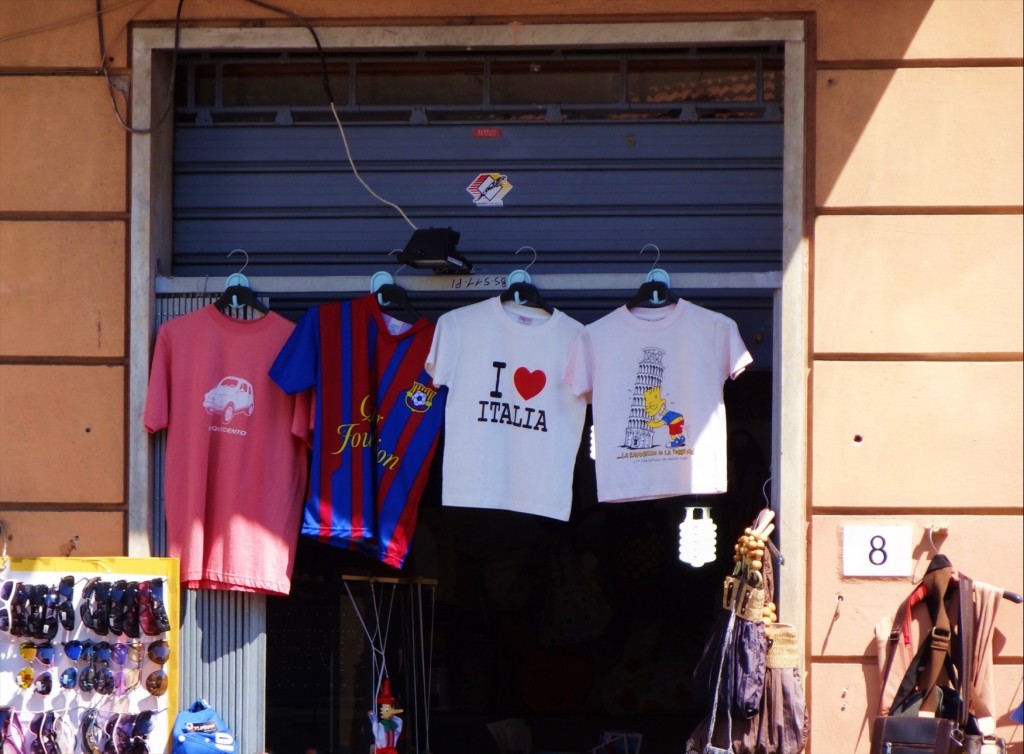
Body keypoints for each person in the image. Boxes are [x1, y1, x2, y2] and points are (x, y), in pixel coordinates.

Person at [368, 679, 403, 754]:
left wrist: (393, 716)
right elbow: (375, 729)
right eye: (387, 710)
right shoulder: (380, 726)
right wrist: (373, 718)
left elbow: (399, 725)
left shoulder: (394, 726)